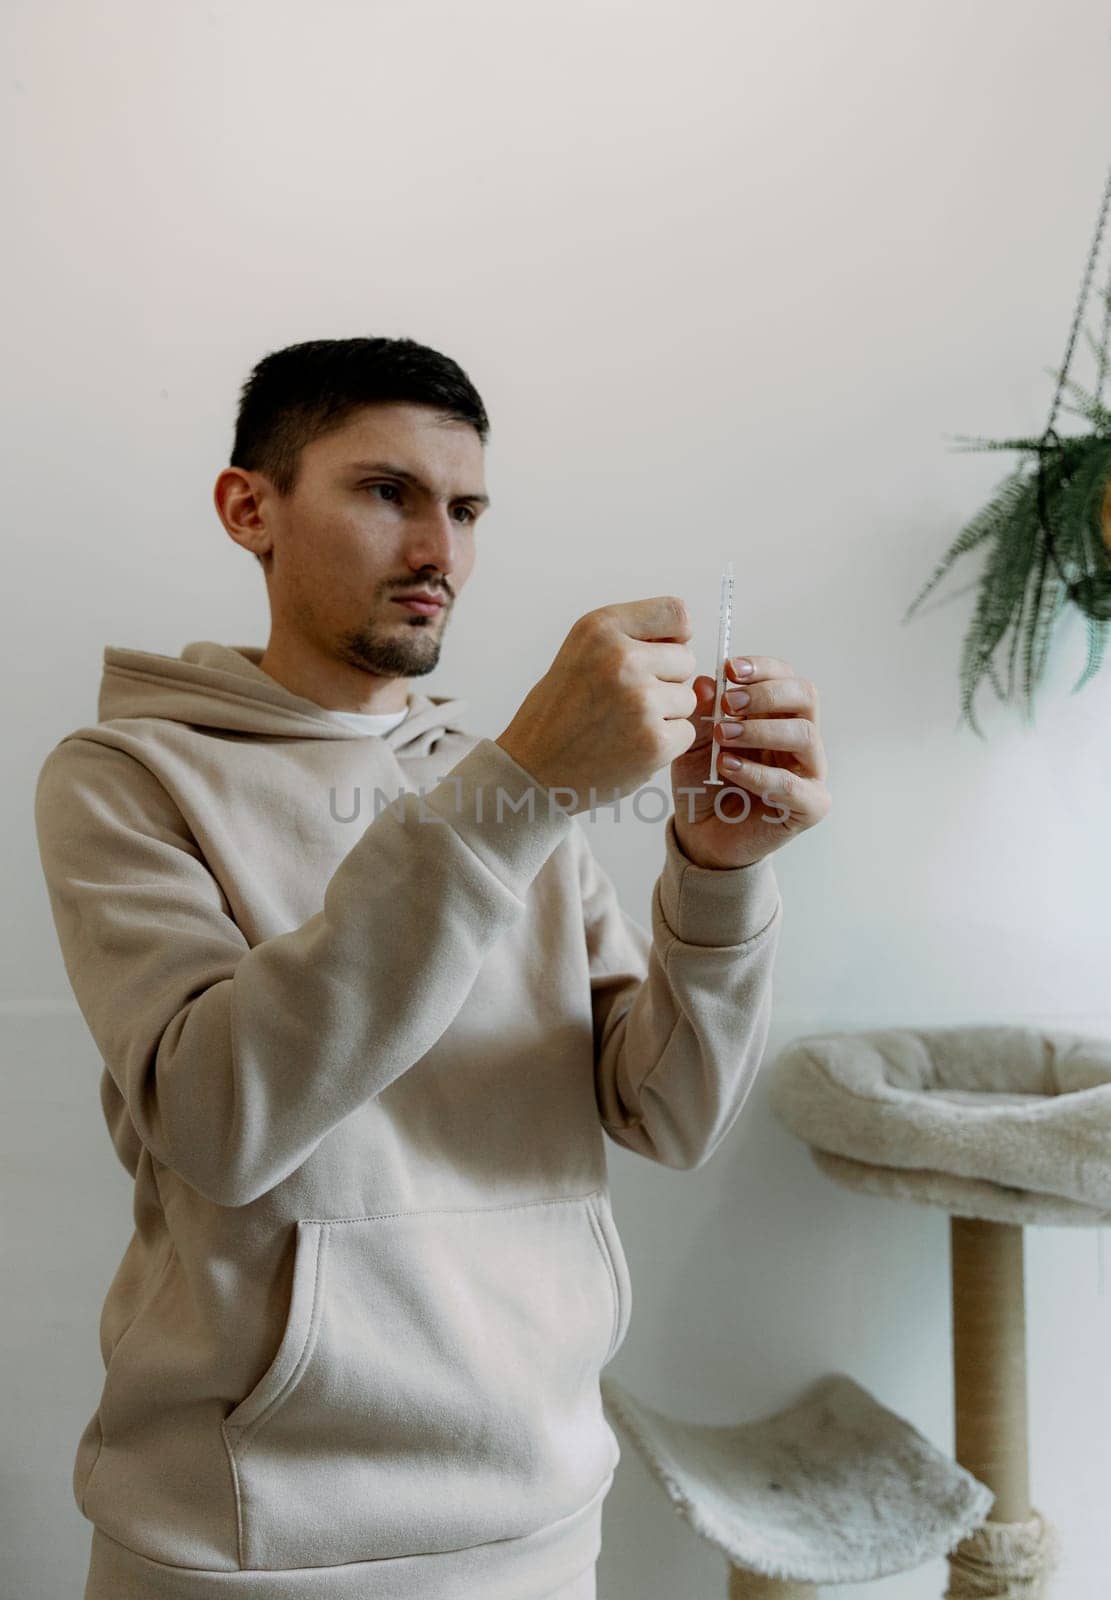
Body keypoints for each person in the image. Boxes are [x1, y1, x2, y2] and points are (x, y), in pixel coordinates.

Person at [33, 336, 831, 1600]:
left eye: (464, 509)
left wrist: (719, 870)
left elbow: (667, 1109)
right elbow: (217, 1119)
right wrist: (515, 790)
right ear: (251, 507)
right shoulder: (127, 775)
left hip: (541, 1517)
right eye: (384, 491)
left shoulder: (497, 779)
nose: (439, 553)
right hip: (241, 1541)